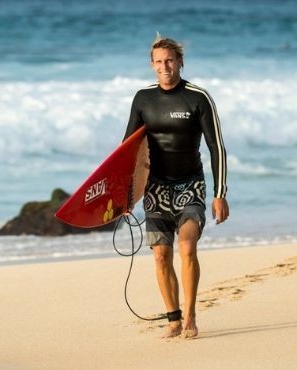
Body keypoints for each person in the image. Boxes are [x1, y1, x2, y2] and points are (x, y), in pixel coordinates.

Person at [123, 34, 229, 338]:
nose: (164, 66)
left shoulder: (198, 98)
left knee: (186, 246)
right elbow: (127, 148)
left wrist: (220, 194)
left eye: (169, 60)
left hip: (190, 187)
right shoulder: (143, 98)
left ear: (180, 62)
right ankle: (173, 318)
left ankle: (191, 316)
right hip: (155, 188)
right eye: (158, 61)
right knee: (159, 254)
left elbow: (216, 147)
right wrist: (124, 195)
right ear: (152, 65)